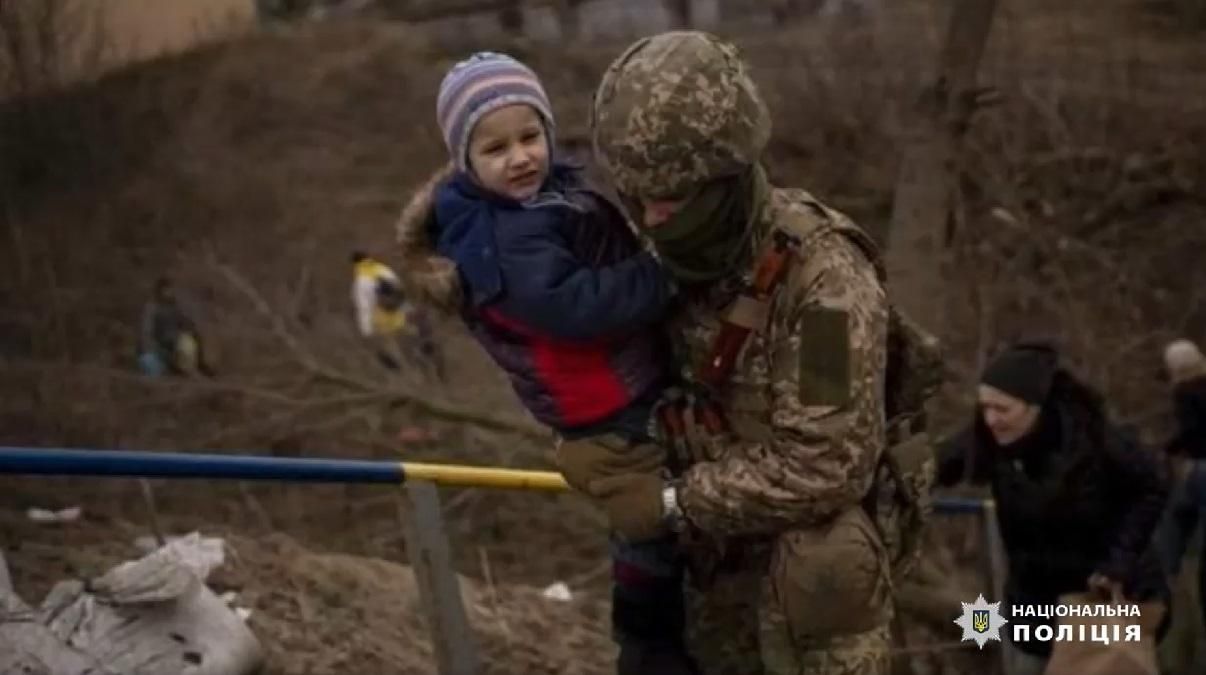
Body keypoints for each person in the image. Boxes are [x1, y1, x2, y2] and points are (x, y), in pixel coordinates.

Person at [563, 30, 944, 674]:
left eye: (671, 202)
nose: (652, 221)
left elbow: (826, 463)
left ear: (725, 179)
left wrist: (672, 503)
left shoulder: (823, 282)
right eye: (640, 201)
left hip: (808, 610)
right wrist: (593, 433)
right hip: (706, 588)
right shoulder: (664, 260)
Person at [395, 52, 693, 673]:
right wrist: (660, 271)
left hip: (622, 388)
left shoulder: (540, 201)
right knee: (648, 528)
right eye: (496, 148)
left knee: (666, 519)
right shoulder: (506, 238)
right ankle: (649, 648)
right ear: (465, 163)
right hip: (608, 405)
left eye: (531, 137)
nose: (521, 157)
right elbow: (576, 308)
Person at [936, 341, 1170, 675]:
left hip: (1102, 603)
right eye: (985, 407)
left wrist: (1118, 562)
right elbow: (934, 465)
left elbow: (1153, 486)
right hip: (1033, 606)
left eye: (1003, 409)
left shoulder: (1096, 441)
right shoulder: (987, 438)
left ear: (1036, 407)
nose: (992, 419)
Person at [1156, 339, 1206, 631]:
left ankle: (1159, 585)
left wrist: (1166, 449)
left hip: (1198, 469)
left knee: (1172, 531)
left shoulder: (1185, 392)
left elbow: (1191, 432)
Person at [351, 250, 444, 380]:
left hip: (386, 325)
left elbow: (365, 307)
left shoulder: (361, 281)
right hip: (403, 315)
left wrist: (367, 331)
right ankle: (432, 370)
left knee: (403, 358)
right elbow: (400, 290)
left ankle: (419, 382)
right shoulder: (382, 269)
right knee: (416, 343)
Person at [138, 277, 213, 377]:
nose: (169, 292)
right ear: (160, 291)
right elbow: (147, 331)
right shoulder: (152, 308)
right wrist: (154, 346)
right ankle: (178, 368)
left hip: (174, 337)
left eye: (170, 290)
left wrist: (189, 326)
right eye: (166, 290)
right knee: (170, 353)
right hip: (161, 341)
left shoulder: (174, 306)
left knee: (193, 338)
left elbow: (183, 319)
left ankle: (199, 364)